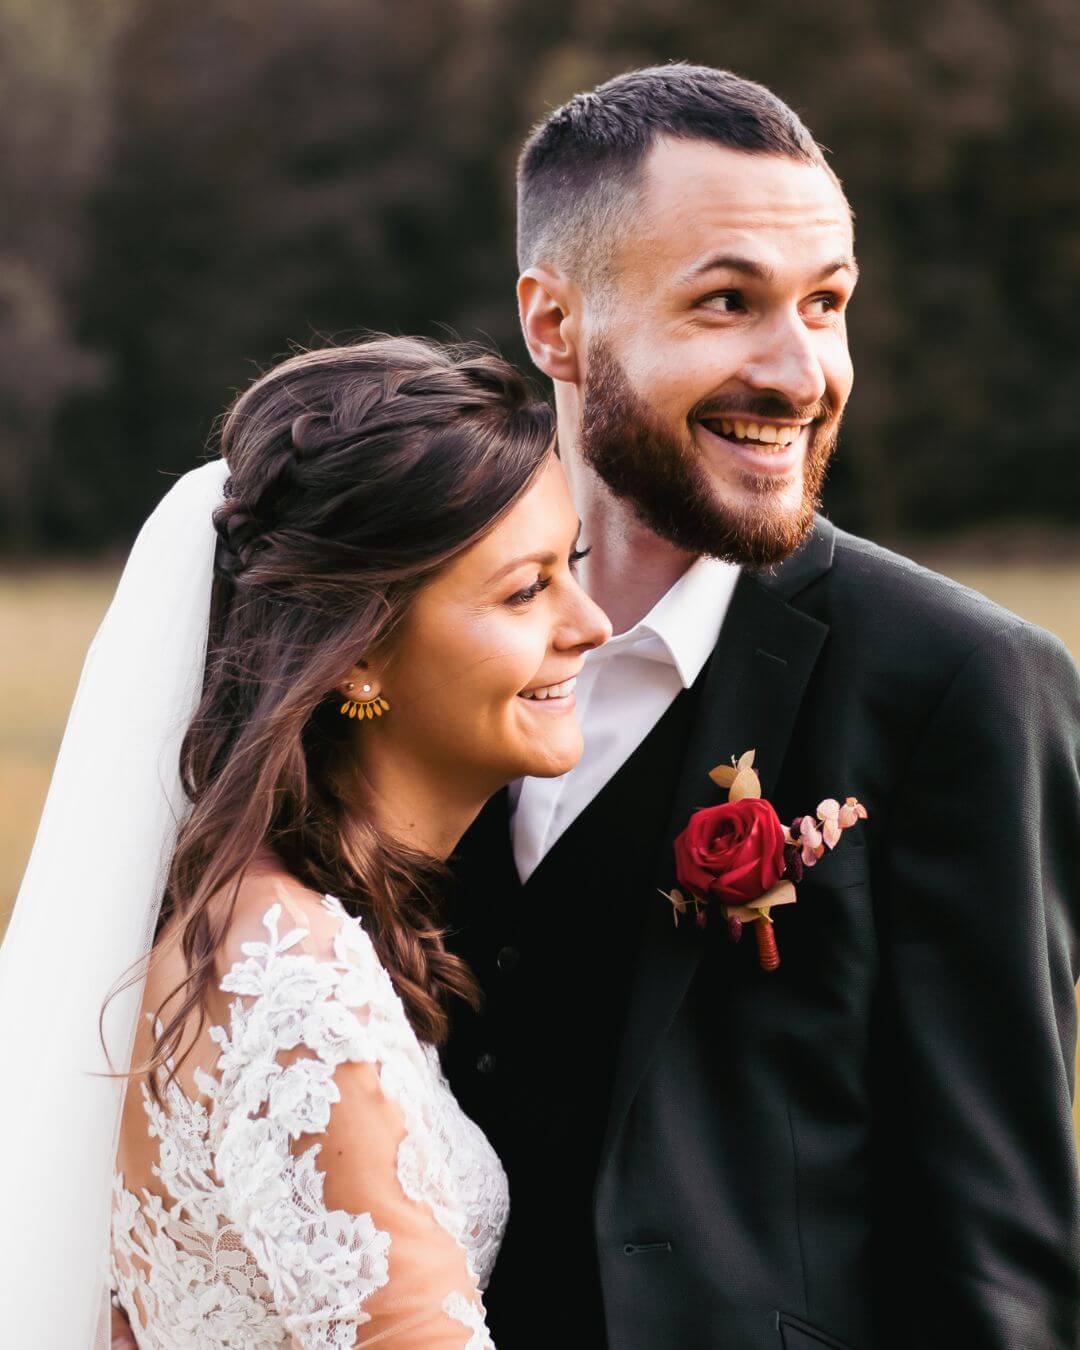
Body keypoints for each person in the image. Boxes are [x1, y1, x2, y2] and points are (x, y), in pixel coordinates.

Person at [440, 63, 1080, 1349]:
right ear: (554, 324)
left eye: (828, 304)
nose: (801, 372)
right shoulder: (403, 644)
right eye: (729, 302)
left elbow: (998, 1262)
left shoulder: (962, 684)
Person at [0, 336, 610, 1348]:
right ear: (361, 657)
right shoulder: (296, 986)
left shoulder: (247, 931)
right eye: (526, 590)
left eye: (570, 567)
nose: (589, 623)